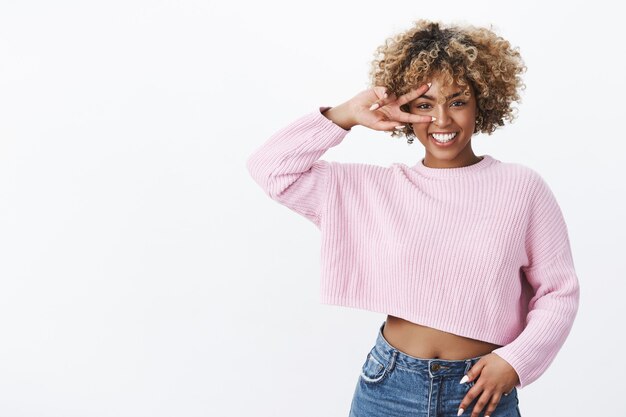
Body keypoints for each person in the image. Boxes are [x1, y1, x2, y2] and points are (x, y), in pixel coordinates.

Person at [246, 19, 580, 417]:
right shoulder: (374, 190)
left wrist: (516, 361)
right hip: (389, 387)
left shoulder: (521, 188)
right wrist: (346, 114)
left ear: (482, 103)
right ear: (405, 110)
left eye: (457, 101)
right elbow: (271, 169)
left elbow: (559, 292)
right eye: (424, 105)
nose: (441, 120)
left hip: (480, 393)